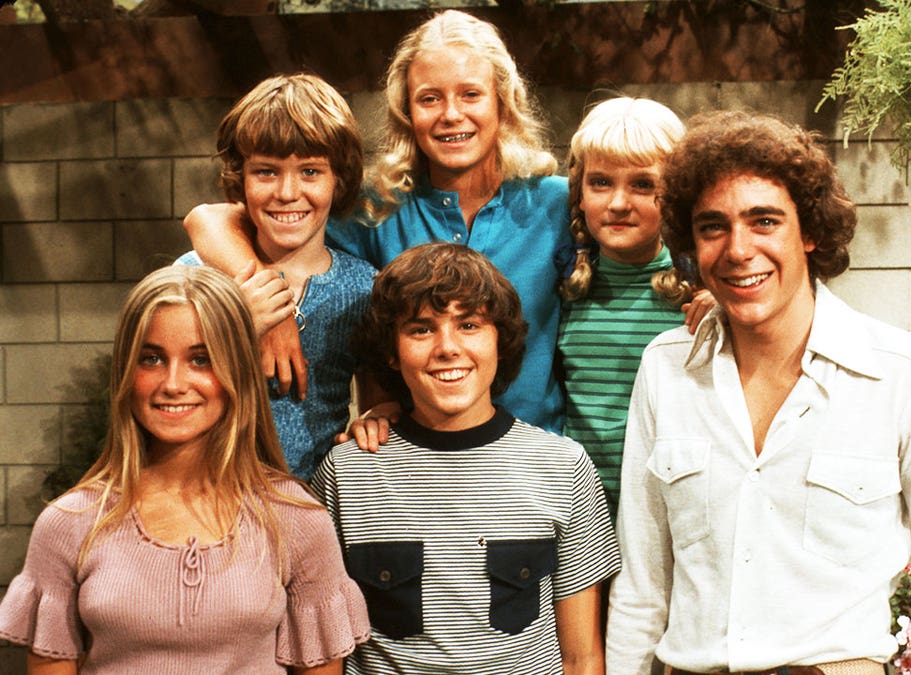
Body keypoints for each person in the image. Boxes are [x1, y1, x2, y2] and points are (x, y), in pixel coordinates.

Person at [605, 111, 911, 675]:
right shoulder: (666, 370)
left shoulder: (905, 376)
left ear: (810, 231)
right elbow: (642, 588)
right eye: (712, 226)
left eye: (764, 220)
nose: (738, 249)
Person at [184, 9, 569, 435]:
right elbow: (210, 219)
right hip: (410, 463)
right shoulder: (377, 209)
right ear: (406, 111)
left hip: (534, 461)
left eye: (471, 95)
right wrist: (270, 304)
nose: (450, 114)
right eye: (429, 98)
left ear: (503, 102)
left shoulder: (557, 203)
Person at [0, 265, 370, 673]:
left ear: (239, 371)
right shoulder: (69, 522)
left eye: (200, 359)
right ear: (125, 371)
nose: (173, 383)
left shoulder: (296, 519)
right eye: (152, 358)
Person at [310, 242, 620, 674]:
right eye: (421, 329)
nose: (448, 347)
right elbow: (327, 649)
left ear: (501, 338)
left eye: (469, 324)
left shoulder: (562, 467)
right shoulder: (350, 471)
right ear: (391, 351)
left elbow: (582, 655)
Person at [177, 73, 377, 479]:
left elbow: (379, 403)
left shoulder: (364, 288)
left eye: (310, 172)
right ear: (241, 178)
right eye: (266, 172)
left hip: (312, 510)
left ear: (338, 178)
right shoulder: (193, 276)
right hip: (206, 499)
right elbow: (171, 383)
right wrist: (236, 326)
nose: (287, 192)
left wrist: (373, 422)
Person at [557, 96, 709, 515]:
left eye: (643, 185)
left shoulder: (701, 289)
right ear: (580, 193)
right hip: (581, 515)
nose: (619, 202)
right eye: (601, 182)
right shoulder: (565, 287)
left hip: (673, 510)